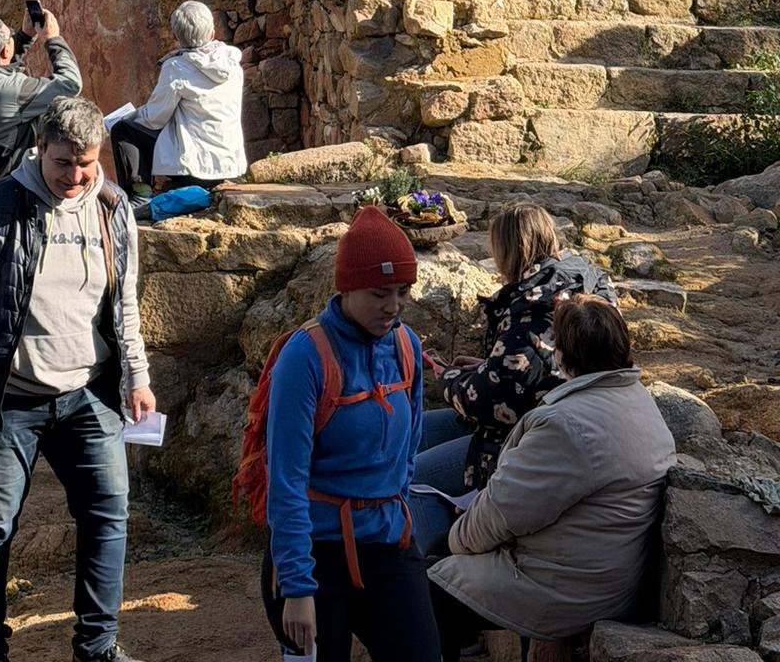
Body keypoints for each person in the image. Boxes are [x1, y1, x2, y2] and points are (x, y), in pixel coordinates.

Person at [0, 96, 155, 662]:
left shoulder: (114, 208)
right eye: (63, 163)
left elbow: (126, 304)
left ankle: (96, 647)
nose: (75, 176)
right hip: (6, 399)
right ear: (40, 149)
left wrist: (137, 377)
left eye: (86, 164)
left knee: (109, 511)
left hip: (88, 395)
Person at [427, 295, 677, 660]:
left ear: (561, 355)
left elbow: (502, 512)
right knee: (440, 557)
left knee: (425, 587)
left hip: (565, 588)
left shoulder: (566, 426)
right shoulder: (635, 400)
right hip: (602, 571)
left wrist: (456, 542)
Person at [262, 206, 442, 662]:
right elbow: (285, 479)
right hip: (316, 553)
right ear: (346, 287)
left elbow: (407, 451)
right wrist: (298, 588)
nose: (393, 307)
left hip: (387, 545)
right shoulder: (304, 357)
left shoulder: (407, 346)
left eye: (402, 292)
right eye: (380, 293)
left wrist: (397, 517)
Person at [410, 202, 616, 556]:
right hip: (538, 419)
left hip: (522, 439)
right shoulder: (584, 280)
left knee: (410, 476)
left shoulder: (534, 306)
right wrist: (487, 366)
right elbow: (537, 371)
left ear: (509, 250)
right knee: (411, 430)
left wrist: (449, 377)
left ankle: (428, 561)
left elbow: (486, 401)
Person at [109, 0, 245, 207]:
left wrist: (129, 116)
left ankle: (140, 196)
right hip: (230, 165)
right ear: (212, 33)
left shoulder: (176, 67)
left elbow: (154, 118)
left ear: (176, 36)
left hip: (195, 169)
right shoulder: (232, 64)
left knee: (123, 130)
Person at [0, 6, 83, 192]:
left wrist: (24, 35)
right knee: (51, 113)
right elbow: (71, 84)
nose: (12, 36)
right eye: (11, 35)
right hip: (11, 185)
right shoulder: (16, 92)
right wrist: (53, 39)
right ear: (5, 51)